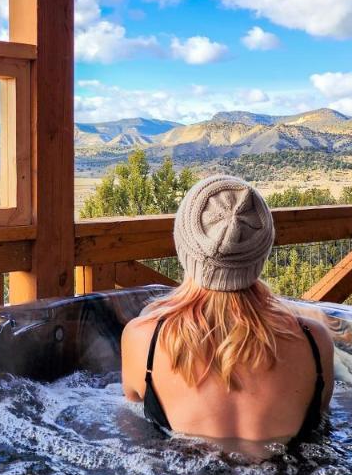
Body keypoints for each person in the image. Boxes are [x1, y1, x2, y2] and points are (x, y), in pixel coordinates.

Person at [121, 175, 334, 452]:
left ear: (184, 247)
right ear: (261, 250)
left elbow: (134, 422)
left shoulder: (143, 338)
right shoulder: (315, 342)